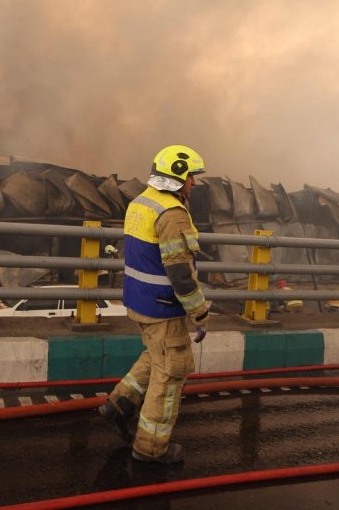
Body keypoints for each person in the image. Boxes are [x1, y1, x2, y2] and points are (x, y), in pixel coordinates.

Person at [98, 144, 210, 464]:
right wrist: (199, 313)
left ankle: (119, 404)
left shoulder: (140, 202)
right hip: (163, 307)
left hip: (139, 301)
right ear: (176, 176)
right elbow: (180, 275)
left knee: (155, 355)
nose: (194, 183)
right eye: (190, 176)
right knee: (171, 374)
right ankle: (150, 448)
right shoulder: (172, 214)